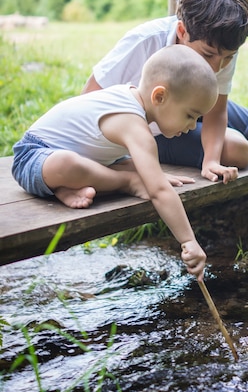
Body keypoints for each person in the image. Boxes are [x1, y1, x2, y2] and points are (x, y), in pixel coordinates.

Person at [12, 45, 218, 282]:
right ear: (159, 97)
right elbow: (159, 192)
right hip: (34, 156)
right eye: (190, 115)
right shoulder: (133, 124)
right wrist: (188, 241)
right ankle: (122, 182)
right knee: (67, 164)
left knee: (126, 164)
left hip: (86, 159)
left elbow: (141, 169)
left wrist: (154, 176)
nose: (193, 126)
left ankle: (66, 188)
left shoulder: (134, 101)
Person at [82, 0, 248, 185]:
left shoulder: (221, 45)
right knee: (239, 150)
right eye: (207, 55)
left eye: (228, 57)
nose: (215, 68)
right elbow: (89, 98)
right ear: (182, 31)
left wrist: (211, 160)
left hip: (200, 104)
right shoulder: (144, 41)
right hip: (159, 126)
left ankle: (210, 140)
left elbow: (216, 111)